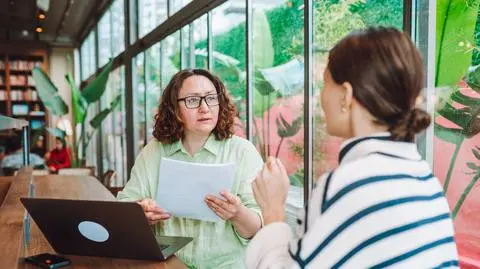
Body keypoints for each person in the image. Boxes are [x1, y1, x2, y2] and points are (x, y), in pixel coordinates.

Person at [246, 27, 458, 268]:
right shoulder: (425, 179)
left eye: (324, 85)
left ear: (346, 95)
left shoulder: (348, 184)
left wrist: (273, 210)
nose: (319, 98)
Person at [117, 69, 263, 268]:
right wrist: (141, 213)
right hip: (169, 264)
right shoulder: (154, 152)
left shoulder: (243, 152)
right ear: (174, 109)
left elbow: (257, 229)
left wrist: (237, 214)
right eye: (193, 100)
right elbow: (123, 210)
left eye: (211, 98)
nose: (205, 108)